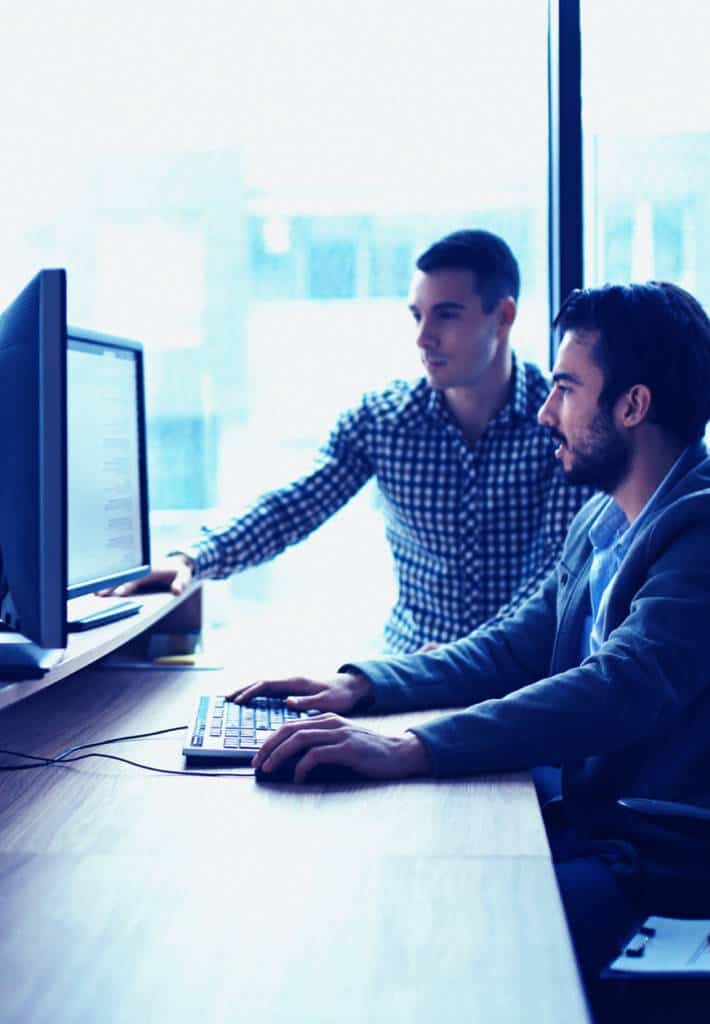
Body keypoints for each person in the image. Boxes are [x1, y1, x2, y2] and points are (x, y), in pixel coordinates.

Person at [228, 281, 710, 1004]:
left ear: (632, 407)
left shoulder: (699, 535)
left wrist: (410, 747)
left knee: (436, 941)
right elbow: (517, 644)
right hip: (603, 832)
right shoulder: (607, 521)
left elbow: (621, 685)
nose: (547, 412)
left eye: (568, 389)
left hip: (662, 865)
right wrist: (364, 686)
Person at [109, 230, 592, 653]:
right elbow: (293, 507)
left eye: (446, 315)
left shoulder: (559, 422)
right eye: (416, 316)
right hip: (403, 672)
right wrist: (192, 558)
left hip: (513, 677)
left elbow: (554, 572)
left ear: (503, 316)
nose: (424, 338)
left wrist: (469, 656)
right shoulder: (382, 420)